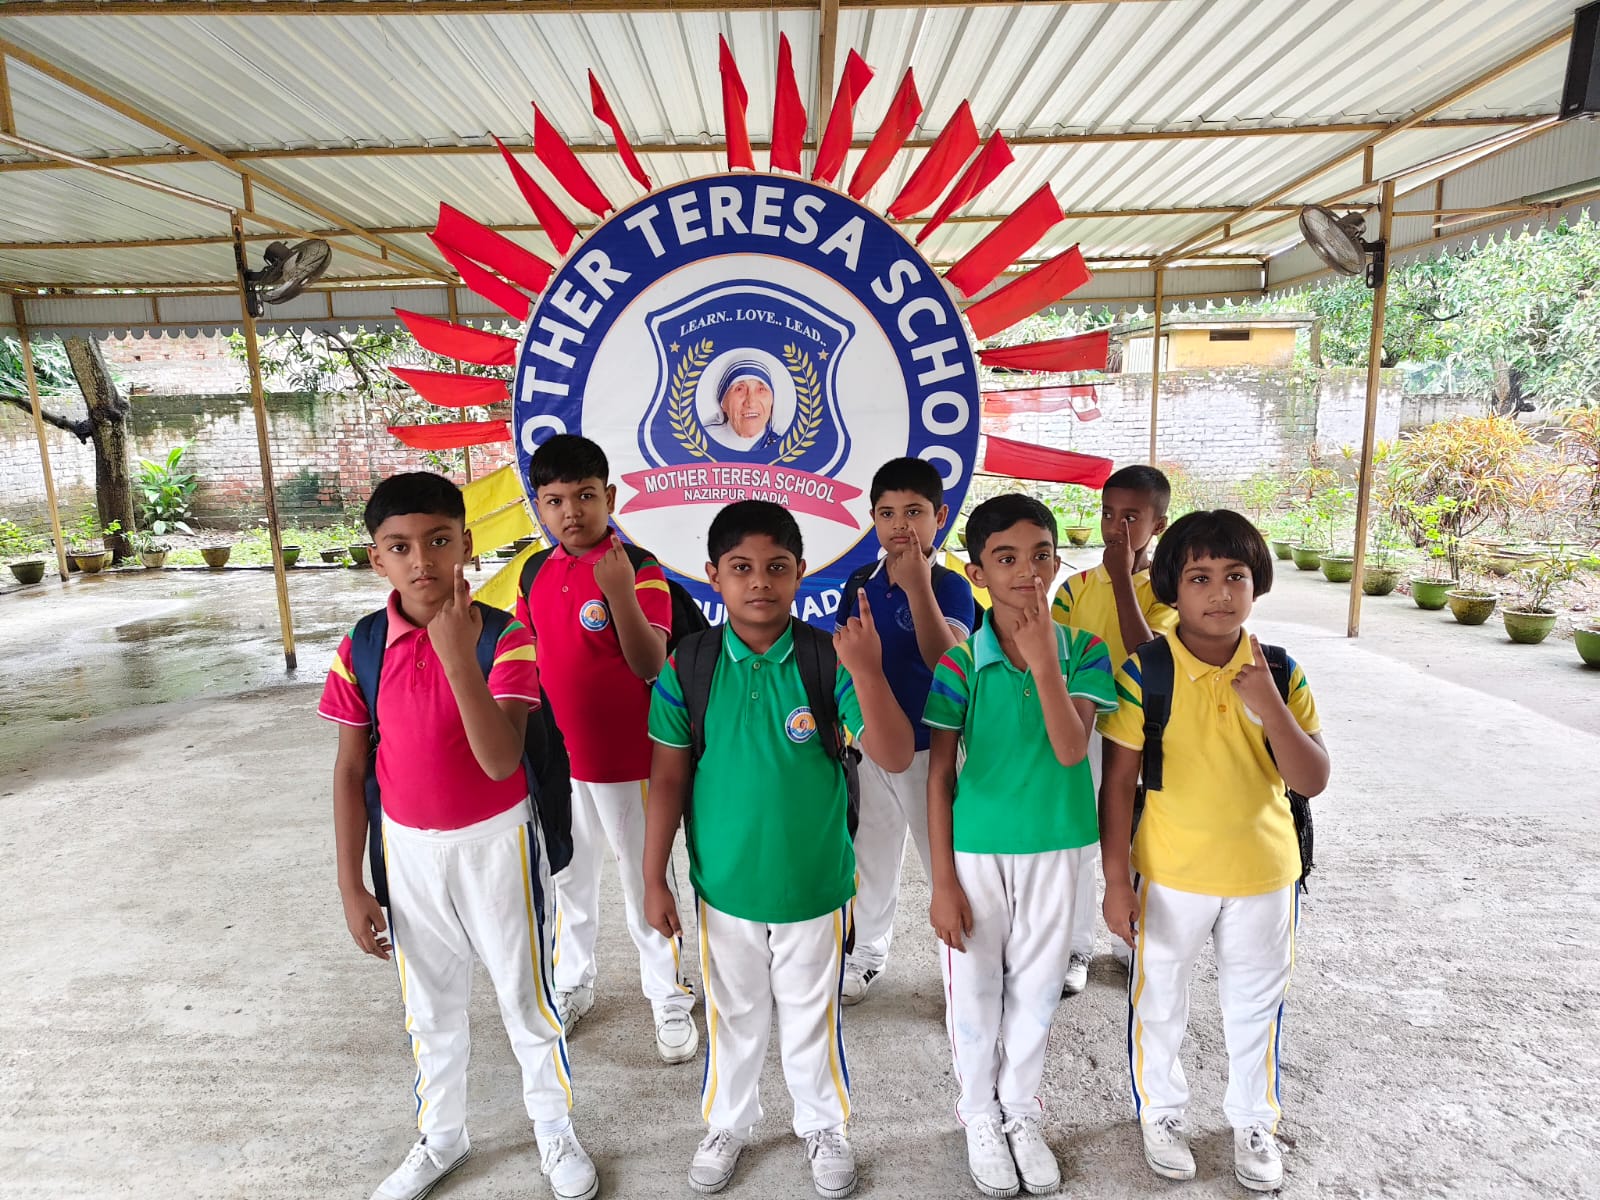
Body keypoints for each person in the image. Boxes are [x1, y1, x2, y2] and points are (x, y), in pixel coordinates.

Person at [319, 471, 598, 1200]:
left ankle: (553, 1128)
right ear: (376, 558)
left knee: (526, 999)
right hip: (408, 853)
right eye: (400, 547)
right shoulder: (362, 647)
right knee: (431, 1009)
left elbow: (501, 759)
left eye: (438, 541)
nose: (422, 561)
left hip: (497, 845)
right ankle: (443, 1136)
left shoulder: (506, 636)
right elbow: (350, 769)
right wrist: (352, 884)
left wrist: (452, 654)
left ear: (466, 545)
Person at [642, 500, 915, 1199]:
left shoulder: (829, 660)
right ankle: (727, 1123)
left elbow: (892, 753)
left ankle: (823, 1124)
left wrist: (869, 671)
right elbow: (668, 777)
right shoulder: (689, 666)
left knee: (809, 1014)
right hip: (724, 885)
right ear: (713, 576)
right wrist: (653, 878)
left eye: (776, 567)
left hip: (814, 884)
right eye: (741, 568)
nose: (759, 581)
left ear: (800, 573)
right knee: (733, 1015)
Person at [1098, 509, 1330, 1193]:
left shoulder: (1280, 670)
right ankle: (1162, 1113)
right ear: (1173, 586)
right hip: (1170, 875)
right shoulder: (1145, 673)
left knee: (1255, 1005)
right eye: (1200, 577)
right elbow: (1117, 786)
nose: (1220, 593)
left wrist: (1269, 703)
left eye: (1235, 576)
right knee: (1160, 1001)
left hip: (1265, 873)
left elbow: (1311, 778)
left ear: (1257, 584)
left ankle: (1254, 1122)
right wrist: (1115, 882)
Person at [924, 494, 1118, 1198]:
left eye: (1040, 555)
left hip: (1056, 846)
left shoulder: (1085, 652)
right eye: (1005, 558)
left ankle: (1021, 1109)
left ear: (1058, 562)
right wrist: (942, 882)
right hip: (977, 850)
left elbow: (1071, 750)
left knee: (1037, 991)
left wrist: (1044, 664)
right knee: (974, 989)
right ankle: (978, 1112)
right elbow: (940, 775)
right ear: (977, 574)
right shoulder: (959, 665)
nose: (1026, 571)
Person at [517, 434, 698, 1063]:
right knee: (570, 879)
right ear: (539, 505)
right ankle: (574, 982)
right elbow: (526, 662)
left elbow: (650, 661)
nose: (571, 512)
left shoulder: (638, 568)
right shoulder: (535, 572)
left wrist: (617, 592)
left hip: (629, 764)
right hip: (561, 764)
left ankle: (669, 996)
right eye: (555, 500)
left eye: (585, 496)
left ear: (610, 497)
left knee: (645, 882)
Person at [833, 456, 975, 1004]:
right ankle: (866, 954)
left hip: (933, 748)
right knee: (870, 854)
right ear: (872, 518)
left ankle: (965, 967)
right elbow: (846, 658)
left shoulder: (950, 585)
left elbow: (948, 661)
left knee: (946, 860)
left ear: (940, 517)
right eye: (887, 513)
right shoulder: (859, 582)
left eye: (914, 512)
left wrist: (918, 589)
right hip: (869, 744)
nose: (900, 525)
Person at [1050, 464, 1176, 994]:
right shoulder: (1074, 588)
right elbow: (1054, 657)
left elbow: (1151, 654)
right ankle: (1076, 946)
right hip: (1083, 731)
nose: (1114, 528)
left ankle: (1130, 941)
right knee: (1080, 839)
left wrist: (1123, 577)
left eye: (1131, 518)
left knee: (1138, 837)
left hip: (1143, 735)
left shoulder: (1169, 591)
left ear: (1158, 525)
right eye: (1107, 514)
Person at [705, 357, 779, 450]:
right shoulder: (703, 440)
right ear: (723, 403)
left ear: (772, 400)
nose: (751, 402)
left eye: (761, 389)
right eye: (739, 389)